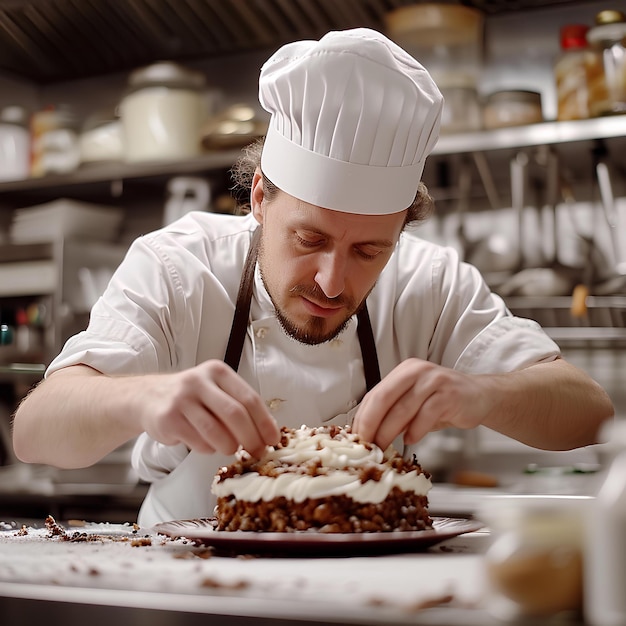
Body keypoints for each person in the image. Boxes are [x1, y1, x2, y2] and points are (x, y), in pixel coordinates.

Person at [13, 28, 613, 526]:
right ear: (258, 199)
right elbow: (37, 433)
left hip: (374, 583)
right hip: (183, 573)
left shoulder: (432, 282)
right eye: (311, 239)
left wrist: (482, 394)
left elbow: (589, 414)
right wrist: (143, 397)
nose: (331, 281)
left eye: (369, 250)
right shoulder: (178, 266)